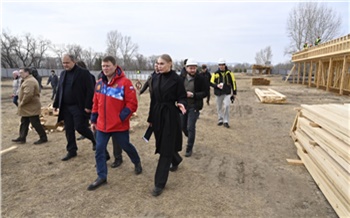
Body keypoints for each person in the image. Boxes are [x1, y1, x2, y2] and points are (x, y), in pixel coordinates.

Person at [87, 56, 142, 191]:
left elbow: (132, 104)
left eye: (108, 66)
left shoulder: (125, 83)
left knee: (126, 146)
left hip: (119, 126)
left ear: (115, 66)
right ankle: (102, 176)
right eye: (103, 66)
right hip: (102, 126)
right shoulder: (99, 83)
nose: (105, 68)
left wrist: (121, 118)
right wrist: (93, 120)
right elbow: (96, 103)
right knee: (99, 150)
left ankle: (137, 162)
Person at [147, 54, 187, 196]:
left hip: (170, 116)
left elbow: (182, 96)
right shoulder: (155, 78)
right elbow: (153, 100)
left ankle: (159, 183)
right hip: (157, 115)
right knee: (162, 143)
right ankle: (176, 159)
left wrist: (182, 103)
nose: (159, 65)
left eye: (162, 63)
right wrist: (150, 118)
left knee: (165, 149)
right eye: (157, 63)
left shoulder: (177, 79)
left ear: (170, 63)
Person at [53, 54, 96, 161]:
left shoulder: (83, 73)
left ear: (74, 62)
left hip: (79, 106)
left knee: (80, 127)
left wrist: (88, 106)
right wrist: (55, 104)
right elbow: (60, 90)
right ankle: (71, 150)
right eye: (63, 63)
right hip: (66, 107)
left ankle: (95, 140)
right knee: (68, 129)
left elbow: (90, 90)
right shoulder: (63, 74)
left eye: (67, 63)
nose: (65, 65)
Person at [12, 67, 48, 144]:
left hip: (31, 106)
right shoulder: (27, 80)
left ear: (27, 72)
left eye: (21, 72)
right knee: (24, 122)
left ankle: (43, 137)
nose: (20, 74)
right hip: (27, 107)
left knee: (35, 123)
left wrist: (22, 103)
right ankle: (22, 137)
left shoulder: (30, 81)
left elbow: (28, 95)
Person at [180, 59, 207, 157]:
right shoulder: (181, 78)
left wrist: (194, 95)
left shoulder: (201, 78)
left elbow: (205, 92)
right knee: (183, 127)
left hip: (194, 106)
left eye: (194, 68)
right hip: (183, 106)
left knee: (190, 127)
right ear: (186, 68)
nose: (192, 70)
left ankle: (189, 148)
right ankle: (191, 137)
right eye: (190, 68)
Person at [210, 58, 237, 128]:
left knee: (227, 106)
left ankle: (226, 121)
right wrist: (216, 85)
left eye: (223, 65)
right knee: (219, 107)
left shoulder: (230, 73)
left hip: (227, 93)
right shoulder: (215, 74)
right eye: (220, 65)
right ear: (218, 65)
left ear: (225, 65)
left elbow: (233, 82)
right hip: (218, 93)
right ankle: (220, 119)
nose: (221, 66)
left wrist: (234, 93)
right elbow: (211, 82)